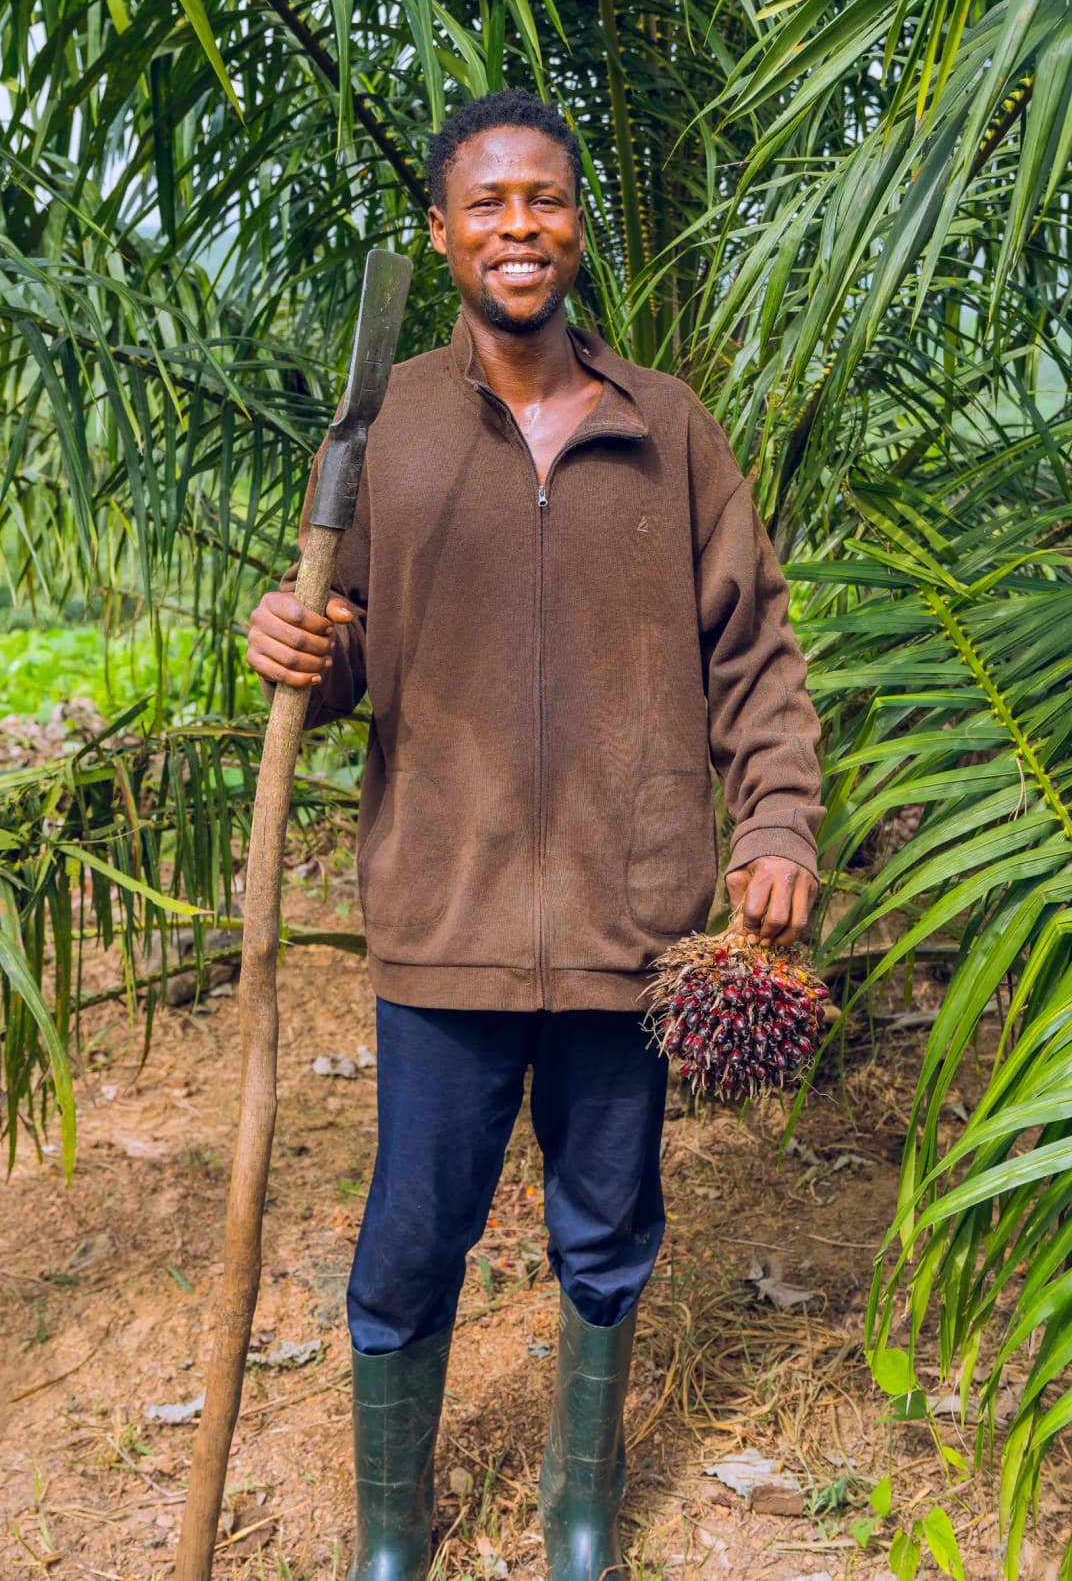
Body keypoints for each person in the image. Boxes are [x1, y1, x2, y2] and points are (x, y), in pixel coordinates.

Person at [246, 89, 824, 1581]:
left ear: (577, 225)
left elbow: (756, 655)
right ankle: (393, 1533)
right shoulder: (384, 432)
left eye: (545, 200)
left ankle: (580, 1514)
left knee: (609, 1225)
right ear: (444, 234)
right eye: (488, 205)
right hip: (445, 920)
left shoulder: (667, 429)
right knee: (412, 1234)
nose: (521, 228)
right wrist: (301, 644)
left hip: (636, 926)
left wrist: (777, 821)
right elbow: (344, 644)